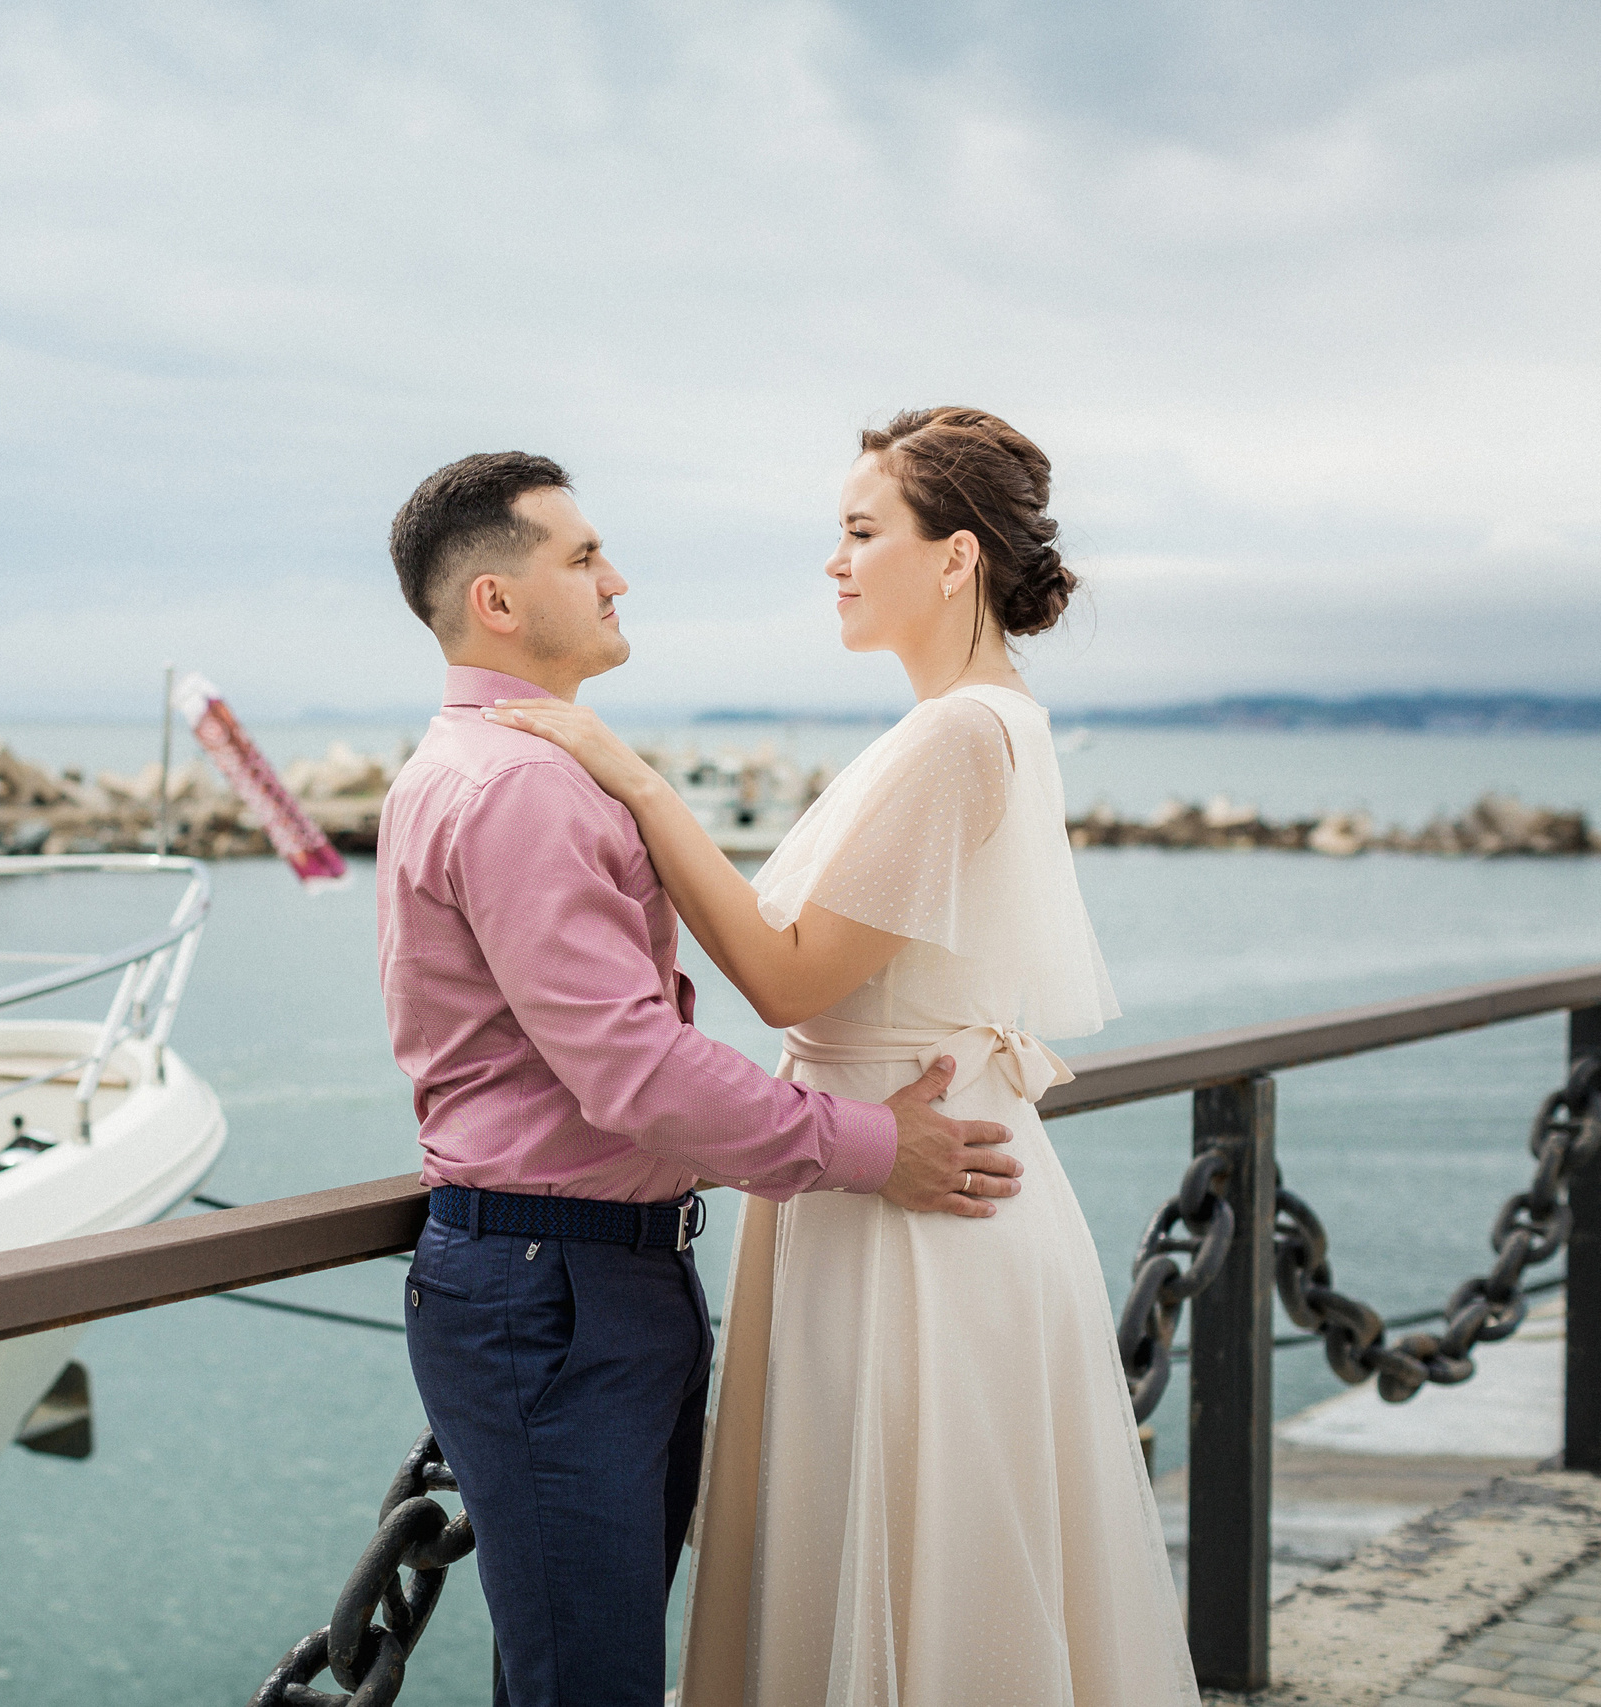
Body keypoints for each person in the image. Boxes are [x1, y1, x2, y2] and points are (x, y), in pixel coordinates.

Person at [490, 409, 1197, 1704]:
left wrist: (636, 785)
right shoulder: (986, 720)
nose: (835, 559)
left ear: (955, 558)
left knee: (909, 1570)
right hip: (912, 1167)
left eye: (863, 531)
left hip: (909, 1199)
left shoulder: (954, 735)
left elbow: (786, 972)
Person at [377, 451, 1027, 1707]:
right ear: (498, 603)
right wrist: (876, 1148)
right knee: (593, 1683)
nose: (616, 578)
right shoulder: (515, 785)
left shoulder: (511, 765)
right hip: (554, 1285)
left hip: (584, 1274)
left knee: (585, 1668)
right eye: (580, 557)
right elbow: (633, 1070)